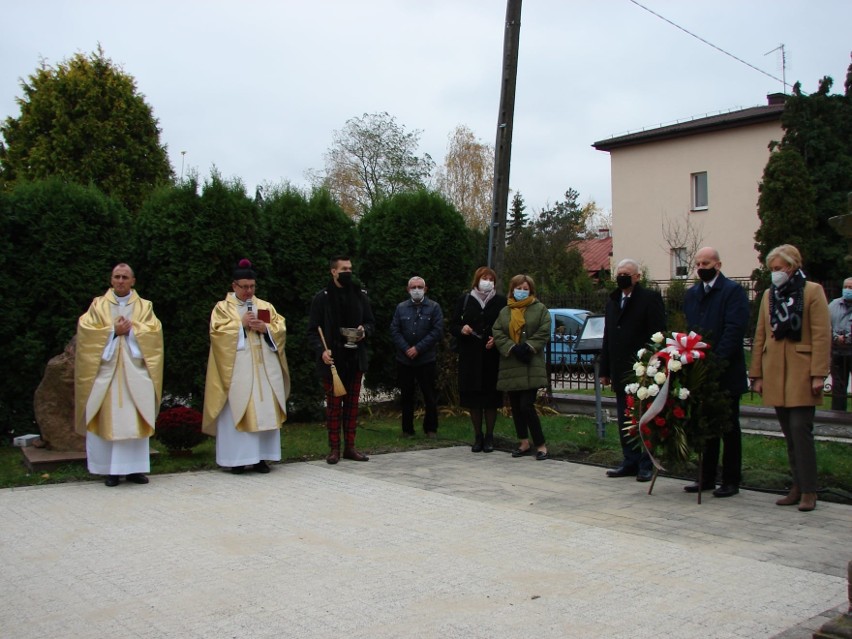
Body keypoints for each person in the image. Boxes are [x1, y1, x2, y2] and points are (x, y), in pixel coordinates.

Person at [750, 244, 831, 512]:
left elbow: (821, 334)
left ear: (792, 266)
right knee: (788, 432)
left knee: (800, 430)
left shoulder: (812, 291)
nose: (774, 274)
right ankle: (796, 485)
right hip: (775, 371)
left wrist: (819, 373)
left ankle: (809, 489)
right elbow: (760, 334)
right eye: (771, 269)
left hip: (801, 372)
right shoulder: (768, 295)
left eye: (778, 269)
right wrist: (757, 374)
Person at [75, 263, 164, 487]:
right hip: (107, 372)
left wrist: (133, 331)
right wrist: (112, 332)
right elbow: (86, 332)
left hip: (135, 371)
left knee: (134, 419)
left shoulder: (144, 306)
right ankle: (110, 471)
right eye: (117, 277)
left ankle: (135, 470)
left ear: (133, 281)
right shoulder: (98, 305)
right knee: (108, 418)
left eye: (125, 277)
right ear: (111, 280)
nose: (121, 281)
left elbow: (154, 332)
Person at [202, 259, 290, 474]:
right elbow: (217, 334)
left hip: (264, 371)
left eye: (252, 287)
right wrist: (239, 326)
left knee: (265, 411)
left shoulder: (265, 306)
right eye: (244, 287)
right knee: (238, 410)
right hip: (238, 372)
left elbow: (280, 329)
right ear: (234, 286)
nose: (249, 291)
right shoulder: (223, 309)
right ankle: (237, 460)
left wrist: (266, 329)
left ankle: (261, 458)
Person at [681, 247, 750, 498]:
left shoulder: (732, 292)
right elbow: (691, 330)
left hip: (725, 372)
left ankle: (731, 480)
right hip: (700, 372)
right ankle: (705, 477)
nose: (701, 267)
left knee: (729, 428)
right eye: (698, 263)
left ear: (718, 265)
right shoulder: (692, 295)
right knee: (705, 426)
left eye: (706, 263)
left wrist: (716, 361)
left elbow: (734, 329)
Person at [599, 258, 666, 482]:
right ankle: (630, 460)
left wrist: (652, 364)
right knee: (624, 417)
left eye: (627, 273)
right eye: (619, 273)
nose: (622, 277)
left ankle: (646, 463)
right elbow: (608, 337)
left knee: (643, 417)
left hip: (642, 370)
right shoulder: (612, 302)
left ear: (637, 277)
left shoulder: (649, 299)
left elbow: (657, 335)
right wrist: (605, 369)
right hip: (620, 369)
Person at [307, 256, 375, 464]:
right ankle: (334, 449)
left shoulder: (360, 296)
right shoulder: (322, 298)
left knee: (352, 406)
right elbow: (312, 331)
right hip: (333, 361)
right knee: (334, 407)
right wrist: (321, 351)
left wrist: (364, 331)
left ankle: (350, 448)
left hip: (355, 359)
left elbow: (371, 322)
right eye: (343, 269)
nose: (348, 272)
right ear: (333, 272)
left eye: (350, 268)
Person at [492, 274, 550, 460]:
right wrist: (511, 347)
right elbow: (498, 331)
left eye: (525, 288)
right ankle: (523, 442)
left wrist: (529, 346)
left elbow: (544, 330)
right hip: (512, 363)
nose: (522, 291)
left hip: (531, 363)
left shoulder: (540, 309)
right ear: (512, 289)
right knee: (516, 406)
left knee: (527, 405)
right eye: (519, 288)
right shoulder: (505, 311)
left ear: (531, 290)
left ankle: (541, 445)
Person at [450, 267, 507, 453]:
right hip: (471, 357)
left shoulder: (500, 301)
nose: (488, 281)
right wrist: (462, 329)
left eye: (491, 278)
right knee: (474, 399)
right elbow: (453, 325)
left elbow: (507, 326)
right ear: (477, 280)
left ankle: (490, 436)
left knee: (491, 399)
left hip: (492, 356)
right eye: (484, 278)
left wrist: (497, 339)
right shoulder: (465, 300)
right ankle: (478, 436)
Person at [390, 276, 444, 438]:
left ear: (425, 289)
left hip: (426, 359)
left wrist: (418, 349)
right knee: (406, 395)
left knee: (429, 396)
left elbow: (437, 331)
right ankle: (407, 430)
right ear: (408, 290)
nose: (416, 290)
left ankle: (431, 428)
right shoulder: (401, 308)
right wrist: (407, 349)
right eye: (413, 287)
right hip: (404, 359)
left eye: (420, 287)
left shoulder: (434, 307)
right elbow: (394, 330)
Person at [828, 277, 852, 411]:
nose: (848, 290)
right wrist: (836, 337)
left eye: (851, 287)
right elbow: (825, 325)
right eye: (846, 287)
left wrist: (847, 338)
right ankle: (838, 414)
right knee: (838, 386)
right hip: (837, 352)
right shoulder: (833, 305)